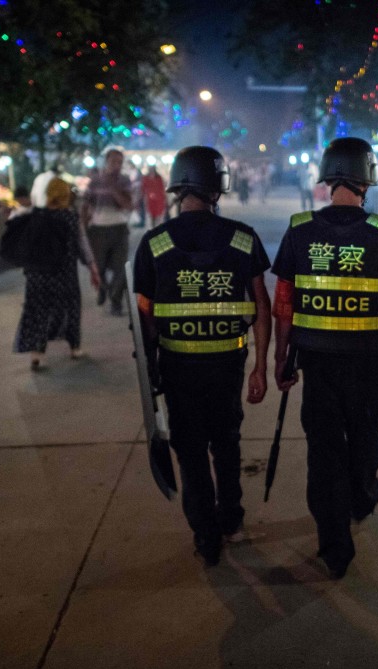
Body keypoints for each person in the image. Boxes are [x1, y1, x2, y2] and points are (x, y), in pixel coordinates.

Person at [271, 137, 378, 579]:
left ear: (329, 178)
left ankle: (334, 550)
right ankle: (363, 497)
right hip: (369, 365)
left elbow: (284, 303)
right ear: (368, 179)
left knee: (324, 452)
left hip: (317, 365)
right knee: (366, 436)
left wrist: (280, 357)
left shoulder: (299, 229)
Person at [132, 146, 271, 567]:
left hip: (177, 370)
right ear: (219, 188)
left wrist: (150, 372)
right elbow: (261, 306)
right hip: (228, 368)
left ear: (176, 188)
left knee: (190, 451)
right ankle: (231, 519)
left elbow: (144, 317)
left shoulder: (154, 243)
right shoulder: (243, 237)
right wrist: (261, 366)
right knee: (226, 445)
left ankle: (206, 536)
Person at [14, 178, 101, 370]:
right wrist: (92, 267)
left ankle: (36, 354)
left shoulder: (35, 215)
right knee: (70, 309)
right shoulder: (70, 217)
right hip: (64, 275)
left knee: (38, 312)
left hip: (37, 275)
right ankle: (75, 348)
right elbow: (82, 244)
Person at [81, 147, 134, 316]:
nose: (116, 165)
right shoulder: (95, 181)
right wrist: (84, 229)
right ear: (106, 162)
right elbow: (86, 205)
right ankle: (104, 288)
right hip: (98, 230)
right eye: (113, 162)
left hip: (119, 228)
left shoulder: (124, 181)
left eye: (119, 162)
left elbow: (128, 205)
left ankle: (116, 301)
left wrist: (113, 188)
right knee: (100, 266)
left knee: (121, 268)